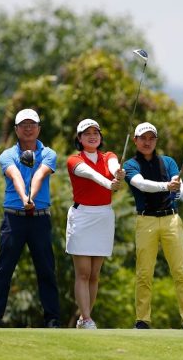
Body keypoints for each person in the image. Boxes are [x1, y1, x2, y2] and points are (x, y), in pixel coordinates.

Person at [0, 109, 61, 328]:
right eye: (23, 125)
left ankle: (53, 320)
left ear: (38, 128)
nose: (28, 128)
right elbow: (15, 176)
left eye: (32, 124)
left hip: (40, 218)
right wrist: (24, 197)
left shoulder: (48, 153)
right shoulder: (7, 155)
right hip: (13, 219)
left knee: (46, 269)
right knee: (3, 270)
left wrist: (31, 197)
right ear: (16, 130)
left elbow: (40, 174)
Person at [123, 122, 183, 330]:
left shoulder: (168, 161)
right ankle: (142, 320)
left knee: (180, 271)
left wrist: (178, 190)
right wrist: (167, 186)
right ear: (135, 140)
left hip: (171, 219)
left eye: (151, 138)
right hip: (146, 220)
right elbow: (141, 184)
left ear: (156, 141)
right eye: (143, 138)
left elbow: (179, 184)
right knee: (144, 273)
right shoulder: (130, 165)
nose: (147, 142)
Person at [65, 119, 124, 329]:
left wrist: (118, 173)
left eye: (96, 132)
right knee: (83, 272)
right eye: (87, 133)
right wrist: (110, 183)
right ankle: (87, 318)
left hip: (103, 217)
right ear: (79, 138)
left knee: (94, 275)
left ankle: (84, 318)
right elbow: (90, 174)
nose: (92, 136)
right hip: (82, 217)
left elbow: (113, 166)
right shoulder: (74, 160)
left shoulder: (109, 156)